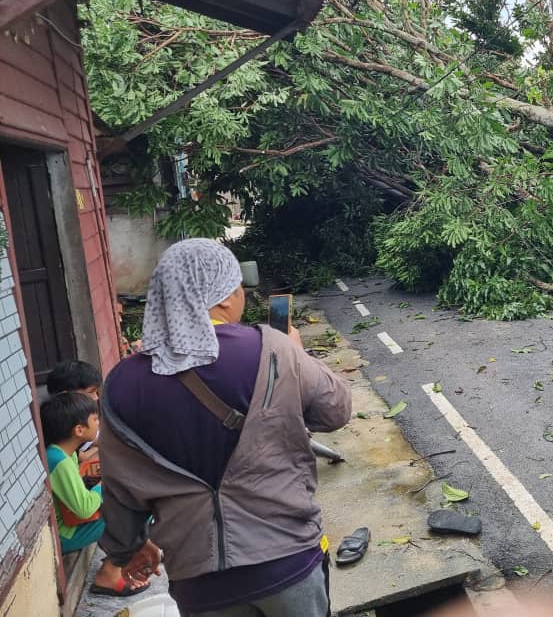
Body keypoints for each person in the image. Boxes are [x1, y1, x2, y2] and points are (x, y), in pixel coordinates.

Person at [97, 238, 353, 617]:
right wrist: (297, 352)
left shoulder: (120, 384)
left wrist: (126, 548)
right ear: (223, 297)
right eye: (239, 288)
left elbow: (119, 489)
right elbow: (335, 411)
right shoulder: (272, 348)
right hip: (287, 561)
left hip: (199, 583)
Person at [41, 392, 148, 597]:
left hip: (69, 526)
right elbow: (84, 508)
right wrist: (104, 485)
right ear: (79, 430)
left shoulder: (66, 452)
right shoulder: (58, 460)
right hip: (65, 535)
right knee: (134, 515)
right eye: (95, 419)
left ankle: (117, 564)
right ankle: (110, 573)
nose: (99, 423)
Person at [47, 359, 102, 469]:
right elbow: (82, 460)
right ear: (66, 395)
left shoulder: (76, 422)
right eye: (91, 392)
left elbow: (101, 440)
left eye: (97, 392)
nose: (96, 397)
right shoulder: (57, 432)